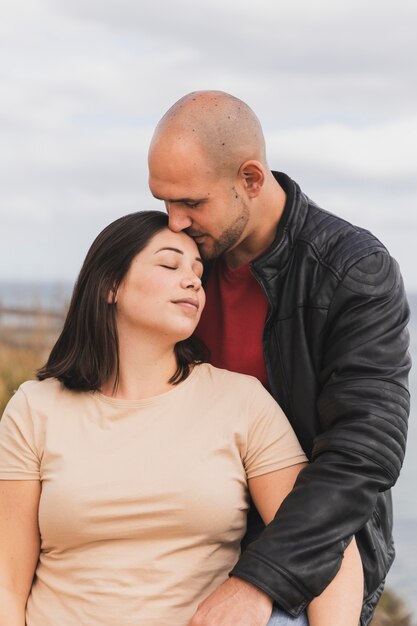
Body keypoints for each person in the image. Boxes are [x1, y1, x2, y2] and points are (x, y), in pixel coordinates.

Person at [0, 211, 364, 626]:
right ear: (110, 285)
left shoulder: (240, 400)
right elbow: (7, 582)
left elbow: (325, 537)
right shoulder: (35, 408)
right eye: (170, 265)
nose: (192, 280)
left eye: (198, 271)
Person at [148, 91, 412, 626]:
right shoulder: (174, 259)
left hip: (308, 555)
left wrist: (257, 581)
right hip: (182, 532)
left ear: (250, 178)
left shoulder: (353, 271)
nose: (174, 222)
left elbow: (364, 453)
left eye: (192, 203)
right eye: (164, 201)